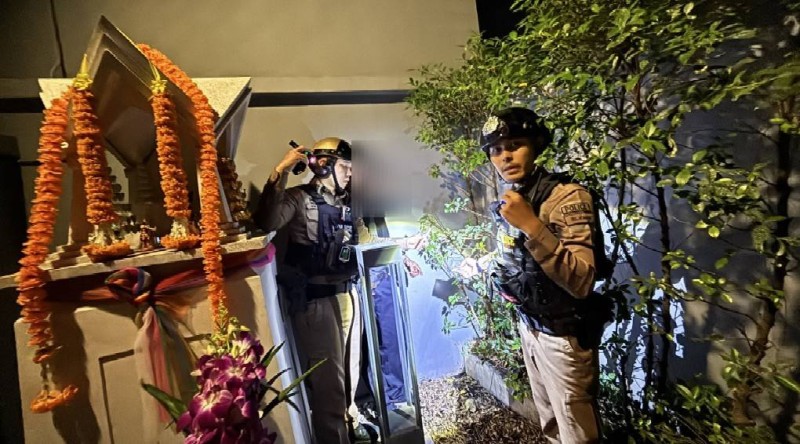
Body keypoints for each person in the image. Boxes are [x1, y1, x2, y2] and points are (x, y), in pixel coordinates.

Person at [481, 107, 603, 443]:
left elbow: (582, 281)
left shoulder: (566, 196)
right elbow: (518, 260)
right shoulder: (517, 196)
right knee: (550, 424)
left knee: (577, 433)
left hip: (563, 335)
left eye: (514, 145)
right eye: (496, 150)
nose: (505, 156)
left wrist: (532, 226)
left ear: (535, 145)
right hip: (530, 327)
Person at [254, 137, 367, 444]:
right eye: (345, 167)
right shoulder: (299, 198)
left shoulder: (347, 201)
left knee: (351, 371)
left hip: (349, 292)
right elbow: (266, 222)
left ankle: (351, 423)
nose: (350, 173)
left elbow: (362, 237)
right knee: (329, 384)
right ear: (325, 166)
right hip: (316, 301)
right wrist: (280, 171)